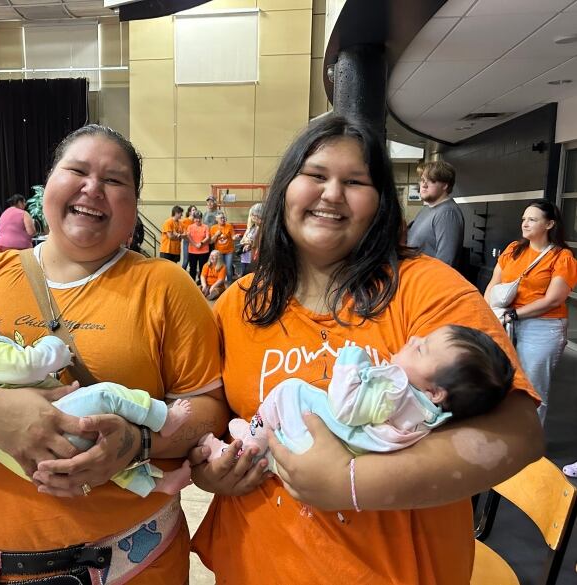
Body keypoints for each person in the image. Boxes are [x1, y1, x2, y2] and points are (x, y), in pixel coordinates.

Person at [189, 114, 542, 585]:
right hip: (254, 563)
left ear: (380, 205)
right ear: (284, 191)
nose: (331, 193)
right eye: (314, 175)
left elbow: (518, 433)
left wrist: (350, 484)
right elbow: (209, 410)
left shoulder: (426, 289)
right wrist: (208, 469)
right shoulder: (241, 302)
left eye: (353, 181)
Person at [0, 124, 226, 585]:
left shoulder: (166, 288)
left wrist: (136, 444)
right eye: (76, 170)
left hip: (125, 568)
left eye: (114, 180)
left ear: (134, 206)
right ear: (47, 185)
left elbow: (208, 412)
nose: (92, 188)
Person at [0, 297, 194, 498]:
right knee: (106, 396)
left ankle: (156, 484)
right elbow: (27, 365)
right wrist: (54, 344)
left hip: (34, 463)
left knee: (101, 455)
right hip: (54, 428)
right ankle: (161, 418)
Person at [200, 325, 512, 469]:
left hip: (329, 444)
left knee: (289, 391)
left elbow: (346, 407)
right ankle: (257, 438)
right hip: (346, 451)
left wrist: (350, 362)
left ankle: (247, 445)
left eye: (422, 348)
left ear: (435, 391)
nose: (415, 338)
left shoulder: (398, 389)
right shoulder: (431, 414)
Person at [484, 199, 576, 426]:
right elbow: (493, 285)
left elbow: (554, 299)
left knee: (533, 390)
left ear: (549, 224)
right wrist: (489, 313)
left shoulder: (561, 257)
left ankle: (530, 450)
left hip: (542, 328)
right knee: (503, 382)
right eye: (524, 219)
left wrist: (515, 314)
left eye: (532, 219)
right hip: (506, 322)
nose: (525, 224)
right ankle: (509, 437)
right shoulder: (513, 250)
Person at [406, 160, 465, 268]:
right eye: (422, 180)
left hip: (428, 282)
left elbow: (445, 263)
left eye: (431, 181)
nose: (423, 185)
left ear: (445, 185)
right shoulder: (425, 210)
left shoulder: (447, 213)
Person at [210, 211, 238, 280]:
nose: (223, 219)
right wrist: (216, 235)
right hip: (219, 252)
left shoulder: (229, 226)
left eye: (223, 218)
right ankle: (219, 284)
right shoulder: (213, 228)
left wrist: (236, 237)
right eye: (221, 218)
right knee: (219, 268)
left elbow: (233, 237)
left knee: (228, 269)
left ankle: (229, 284)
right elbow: (211, 241)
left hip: (229, 251)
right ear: (216, 219)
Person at [187, 210, 210, 282]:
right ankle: (192, 282)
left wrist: (201, 243)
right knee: (192, 268)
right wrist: (195, 244)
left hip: (204, 251)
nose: (198, 220)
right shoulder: (190, 227)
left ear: (201, 218)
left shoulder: (205, 227)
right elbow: (188, 237)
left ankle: (201, 282)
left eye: (199, 218)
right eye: (196, 218)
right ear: (194, 219)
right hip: (192, 251)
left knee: (202, 268)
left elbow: (208, 237)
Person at [238, 203, 261, 276]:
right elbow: (242, 241)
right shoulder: (251, 228)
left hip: (256, 256)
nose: (251, 217)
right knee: (245, 275)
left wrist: (249, 243)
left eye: (253, 215)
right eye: (251, 215)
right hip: (247, 255)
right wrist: (247, 243)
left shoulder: (261, 227)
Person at [180, 205, 197, 269]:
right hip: (187, 242)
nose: (195, 211)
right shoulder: (184, 220)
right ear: (190, 212)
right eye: (193, 210)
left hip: (194, 242)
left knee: (192, 261)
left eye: (195, 210)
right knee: (186, 260)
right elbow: (181, 230)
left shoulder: (196, 221)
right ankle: (181, 275)